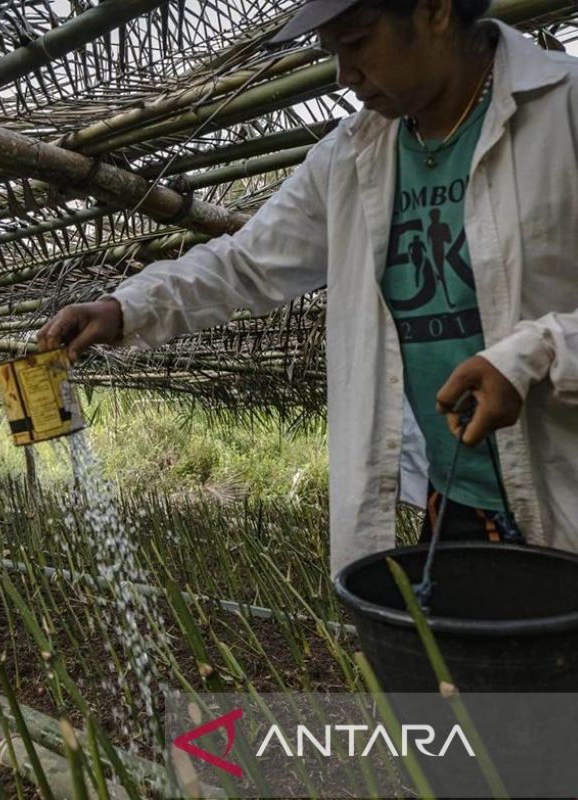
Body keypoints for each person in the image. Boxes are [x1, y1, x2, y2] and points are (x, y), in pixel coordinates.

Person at [38, 0, 578, 576]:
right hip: (460, 508)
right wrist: (122, 308)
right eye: (331, 52)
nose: (344, 75)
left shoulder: (562, 109)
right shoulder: (352, 155)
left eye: (358, 42)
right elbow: (244, 263)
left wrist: (534, 354)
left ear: (436, 10)